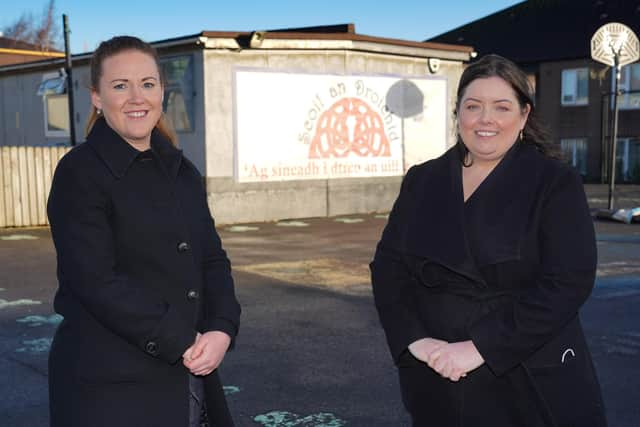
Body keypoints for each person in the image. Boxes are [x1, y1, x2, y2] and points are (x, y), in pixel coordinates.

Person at [370, 54, 607, 426]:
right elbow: (388, 268)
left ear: (524, 115)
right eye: (473, 106)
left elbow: (568, 282)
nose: (486, 119)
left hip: (524, 374)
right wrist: (414, 339)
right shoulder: (422, 180)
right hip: (437, 372)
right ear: (458, 114)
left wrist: (482, 347)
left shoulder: (554, 183)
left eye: (502, 107)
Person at [47, 36, 240, 427]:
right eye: (121, 86)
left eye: (148, 84)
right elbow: (96, 281)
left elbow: (211, 259)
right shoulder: (80, 173)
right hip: (109, 388)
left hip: (189, 376)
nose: (137, 97)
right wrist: (182, 340)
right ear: (97, 97)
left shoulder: (182, 172)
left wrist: (221, 328)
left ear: (162, 92)